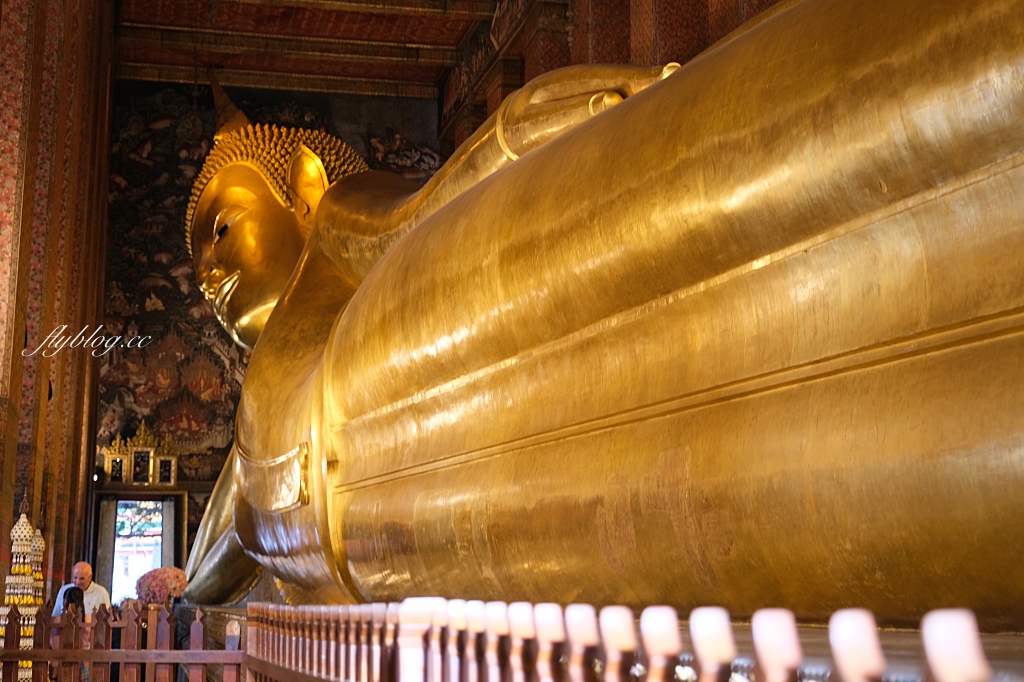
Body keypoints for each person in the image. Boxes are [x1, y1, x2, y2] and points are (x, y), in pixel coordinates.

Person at [183, 0, 1024, 627]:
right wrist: (175, 592)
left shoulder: (336, 225)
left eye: (221, 229)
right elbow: (208, 568)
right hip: (406, 529)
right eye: (197, 260)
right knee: (701, 508)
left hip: (403, 342)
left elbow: (421, 208)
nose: (209, 271)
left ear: (299, 187)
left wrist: (517, 132)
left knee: (710, 202)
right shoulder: (255, 417)